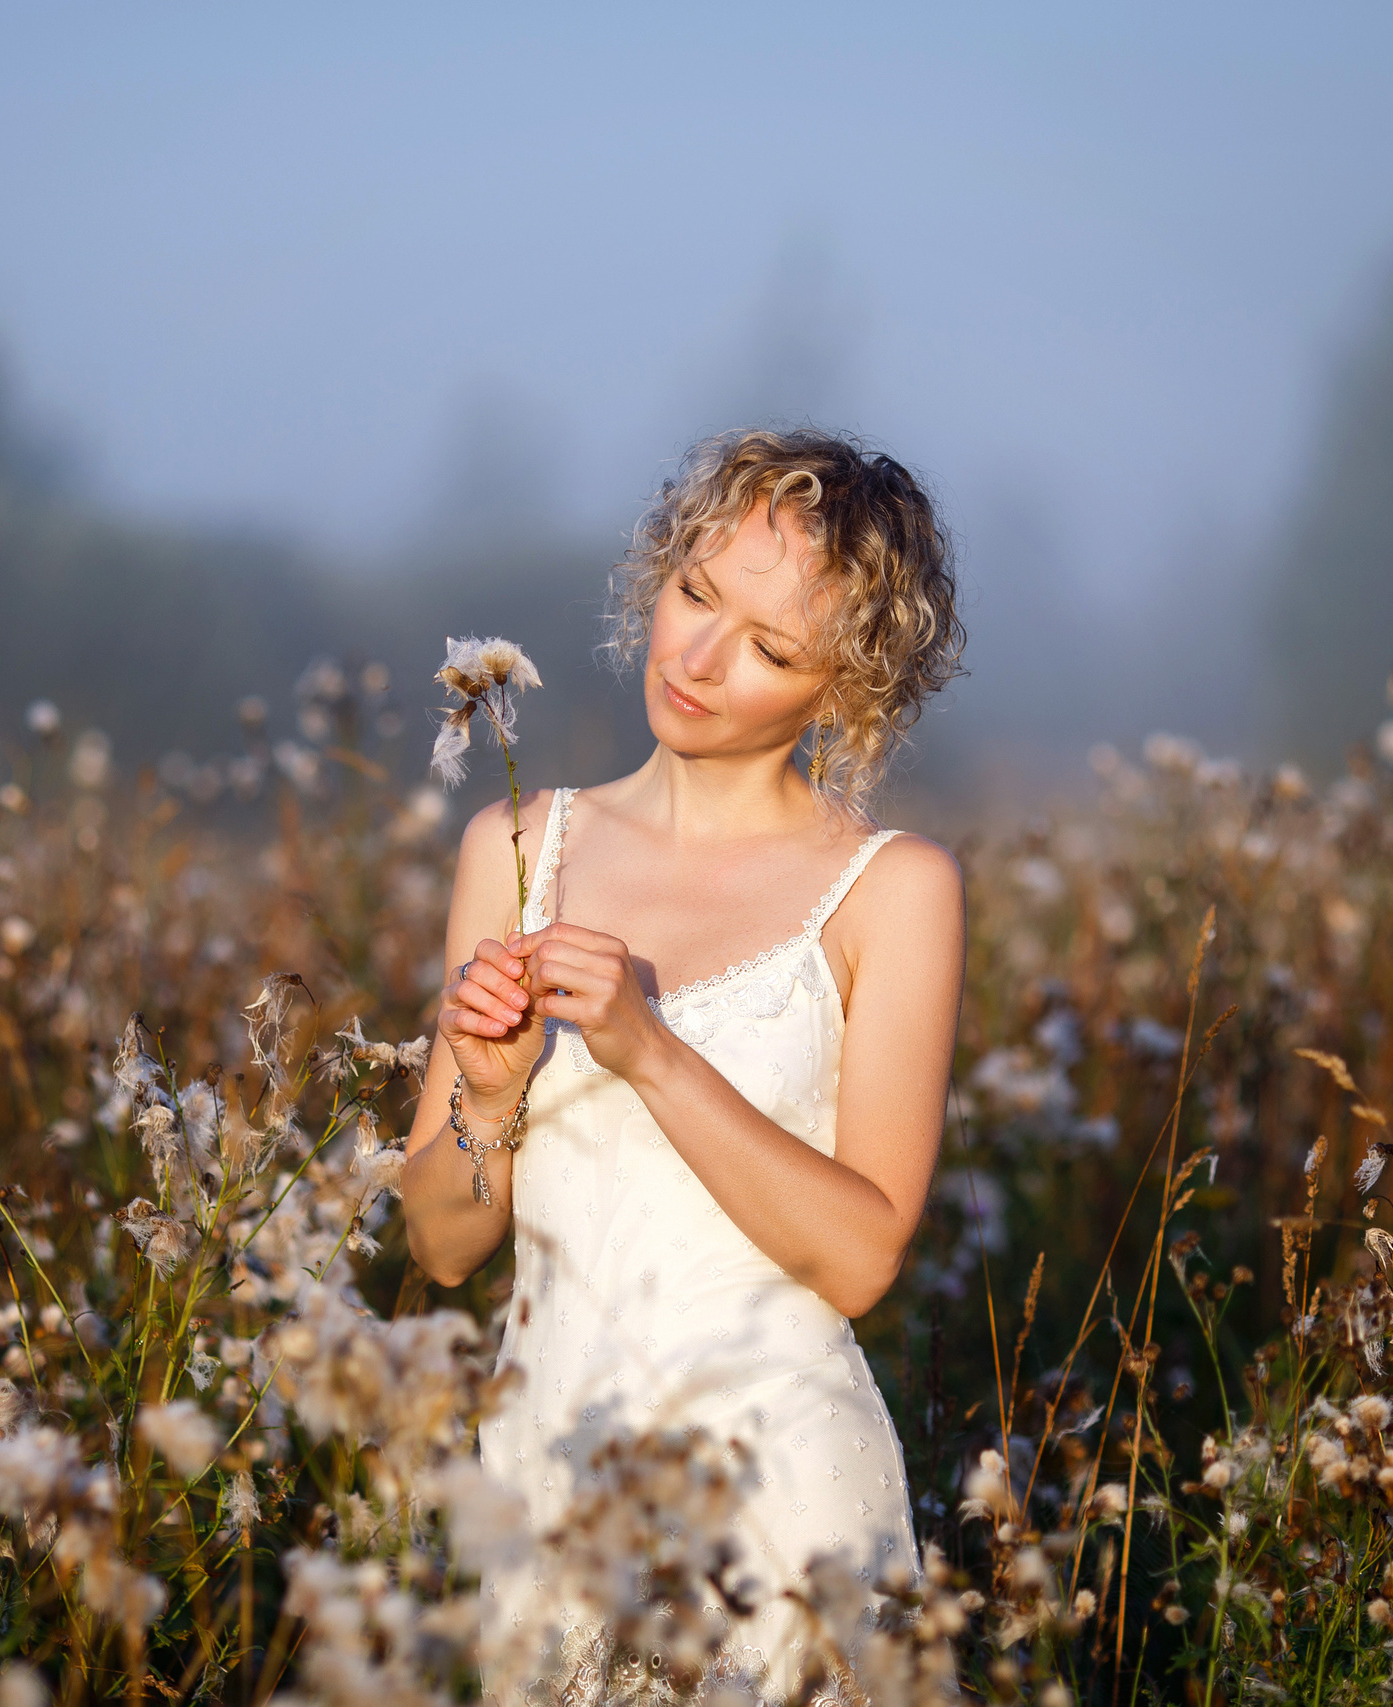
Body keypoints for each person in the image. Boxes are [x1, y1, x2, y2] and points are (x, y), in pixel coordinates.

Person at [401, 427, 970, 1703]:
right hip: (547, 1487)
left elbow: (862, 1255)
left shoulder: (893, 893)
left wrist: (645, 1050)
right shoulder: (513, 845)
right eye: (697, 594)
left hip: (780, 1517)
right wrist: (489, 1100)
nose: (700, 659)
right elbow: (439, 1247)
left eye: (771, 649)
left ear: (848, 691)